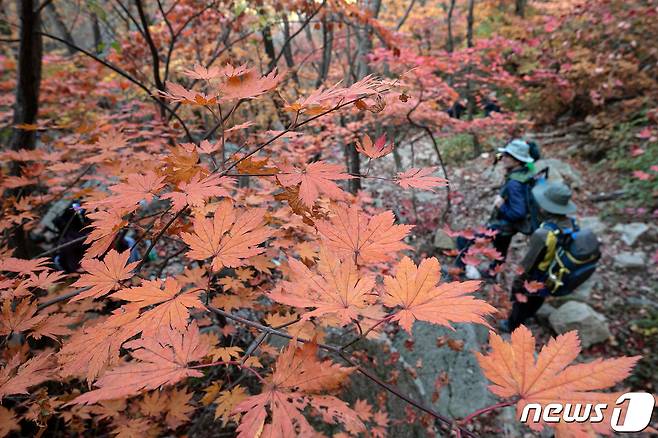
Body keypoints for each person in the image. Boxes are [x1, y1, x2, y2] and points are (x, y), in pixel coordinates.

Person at [499, 181, 599, 332]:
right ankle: (530, 314)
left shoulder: (543, 234)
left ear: (545, 207)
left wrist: (518, 282)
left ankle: (512, 325)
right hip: (554, 272)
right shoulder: (571, 223)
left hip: (538, 273)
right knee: (538, 298)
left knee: (522, 300)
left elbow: (528, 263)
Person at [488, 139, 537, 264]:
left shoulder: (514, 183)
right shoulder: (524, 173)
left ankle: (460, 269)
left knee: (465, 240)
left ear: (517, 160)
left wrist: (501, 205)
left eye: (507, 156)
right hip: (511, 226)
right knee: (501, 251)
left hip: (506, 225)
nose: (502, 158)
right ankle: (494, 272)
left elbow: (518, 213)